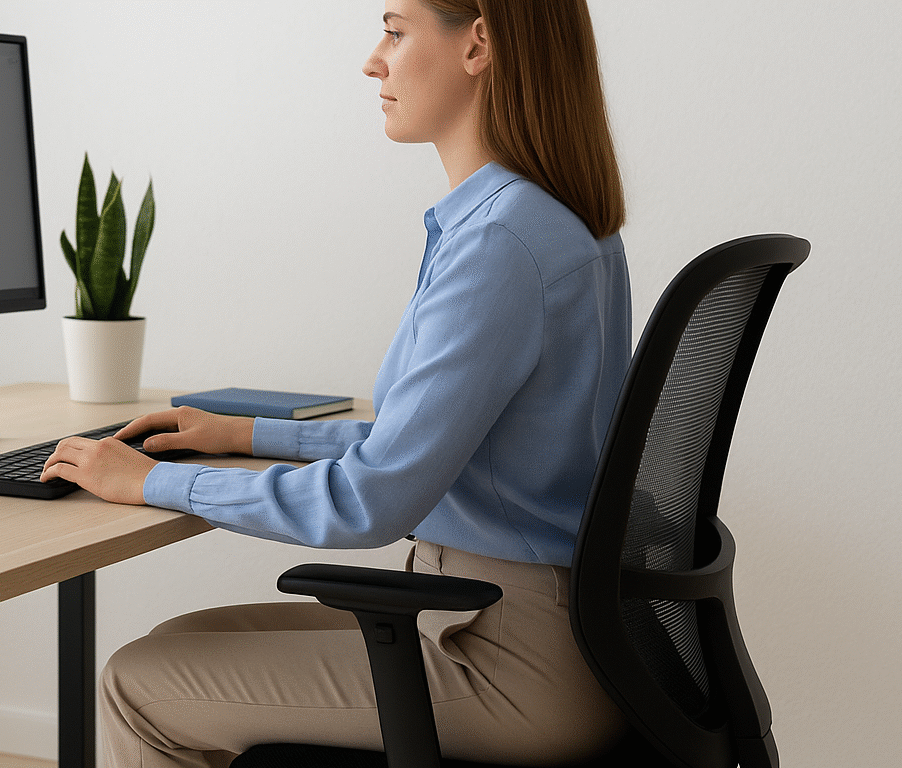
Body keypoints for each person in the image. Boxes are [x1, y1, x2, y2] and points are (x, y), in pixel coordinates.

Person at [41, 0, 631, 764]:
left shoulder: (500, 243)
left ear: (477, 42)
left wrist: (153, 482)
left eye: (394, 30)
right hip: (529, 624)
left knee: (137, 684)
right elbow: (437, 441)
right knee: (176, 645)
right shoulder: (544, 217)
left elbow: (369, 501)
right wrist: (248, 435)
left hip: (502, 657)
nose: (372, 60)